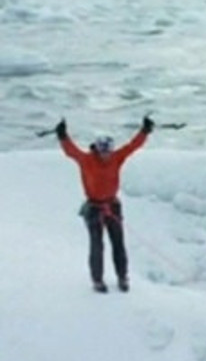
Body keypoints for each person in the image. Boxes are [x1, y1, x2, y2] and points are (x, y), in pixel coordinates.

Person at [55, 116, 154, 293]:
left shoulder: (116, 158)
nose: (106, 154)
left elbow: (132, 146)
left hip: (113, 205)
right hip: (94, 208)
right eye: (103, 151)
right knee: (97, 246)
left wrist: (144, 131)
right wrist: (63, 136)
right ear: (97, 150)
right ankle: (97, 281)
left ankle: (122, 278)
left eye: (109, 150)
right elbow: (71, 151)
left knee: (118, 243)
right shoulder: (86, 160)